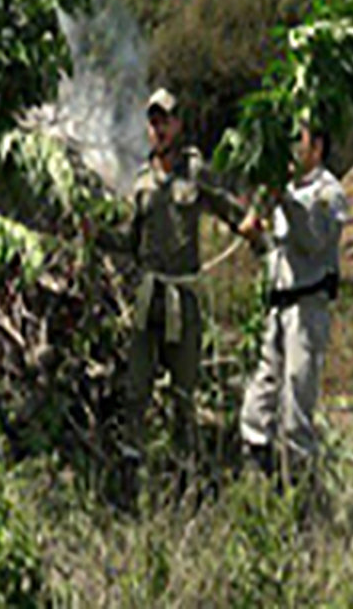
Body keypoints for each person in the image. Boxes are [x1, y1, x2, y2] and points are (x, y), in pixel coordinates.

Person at [91, 88, 258, 497]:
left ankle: (187, 483)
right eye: (153, 121)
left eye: (165, 120)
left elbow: (228, 209)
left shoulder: (195, 173)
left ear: (178, 125)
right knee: (137, 391)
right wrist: (96, 236)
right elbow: (130, 242)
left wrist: (253, 230)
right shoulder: (142, 183)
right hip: (149, 298)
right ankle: (131, 481)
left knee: (184, 395)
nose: (158, 128)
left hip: (183, 300)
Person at [239, 121, 349, 486]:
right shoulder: (285, 191)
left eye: (298, 140)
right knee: (260, 400)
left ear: (317, 147)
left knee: (296, 409)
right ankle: (257, 484)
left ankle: (298, 498)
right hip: (278, 309)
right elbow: (278, 253)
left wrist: (283, 199)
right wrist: (257, 237)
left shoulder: (328, 194)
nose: (291, 149)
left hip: (307, 310)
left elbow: (314, 242)